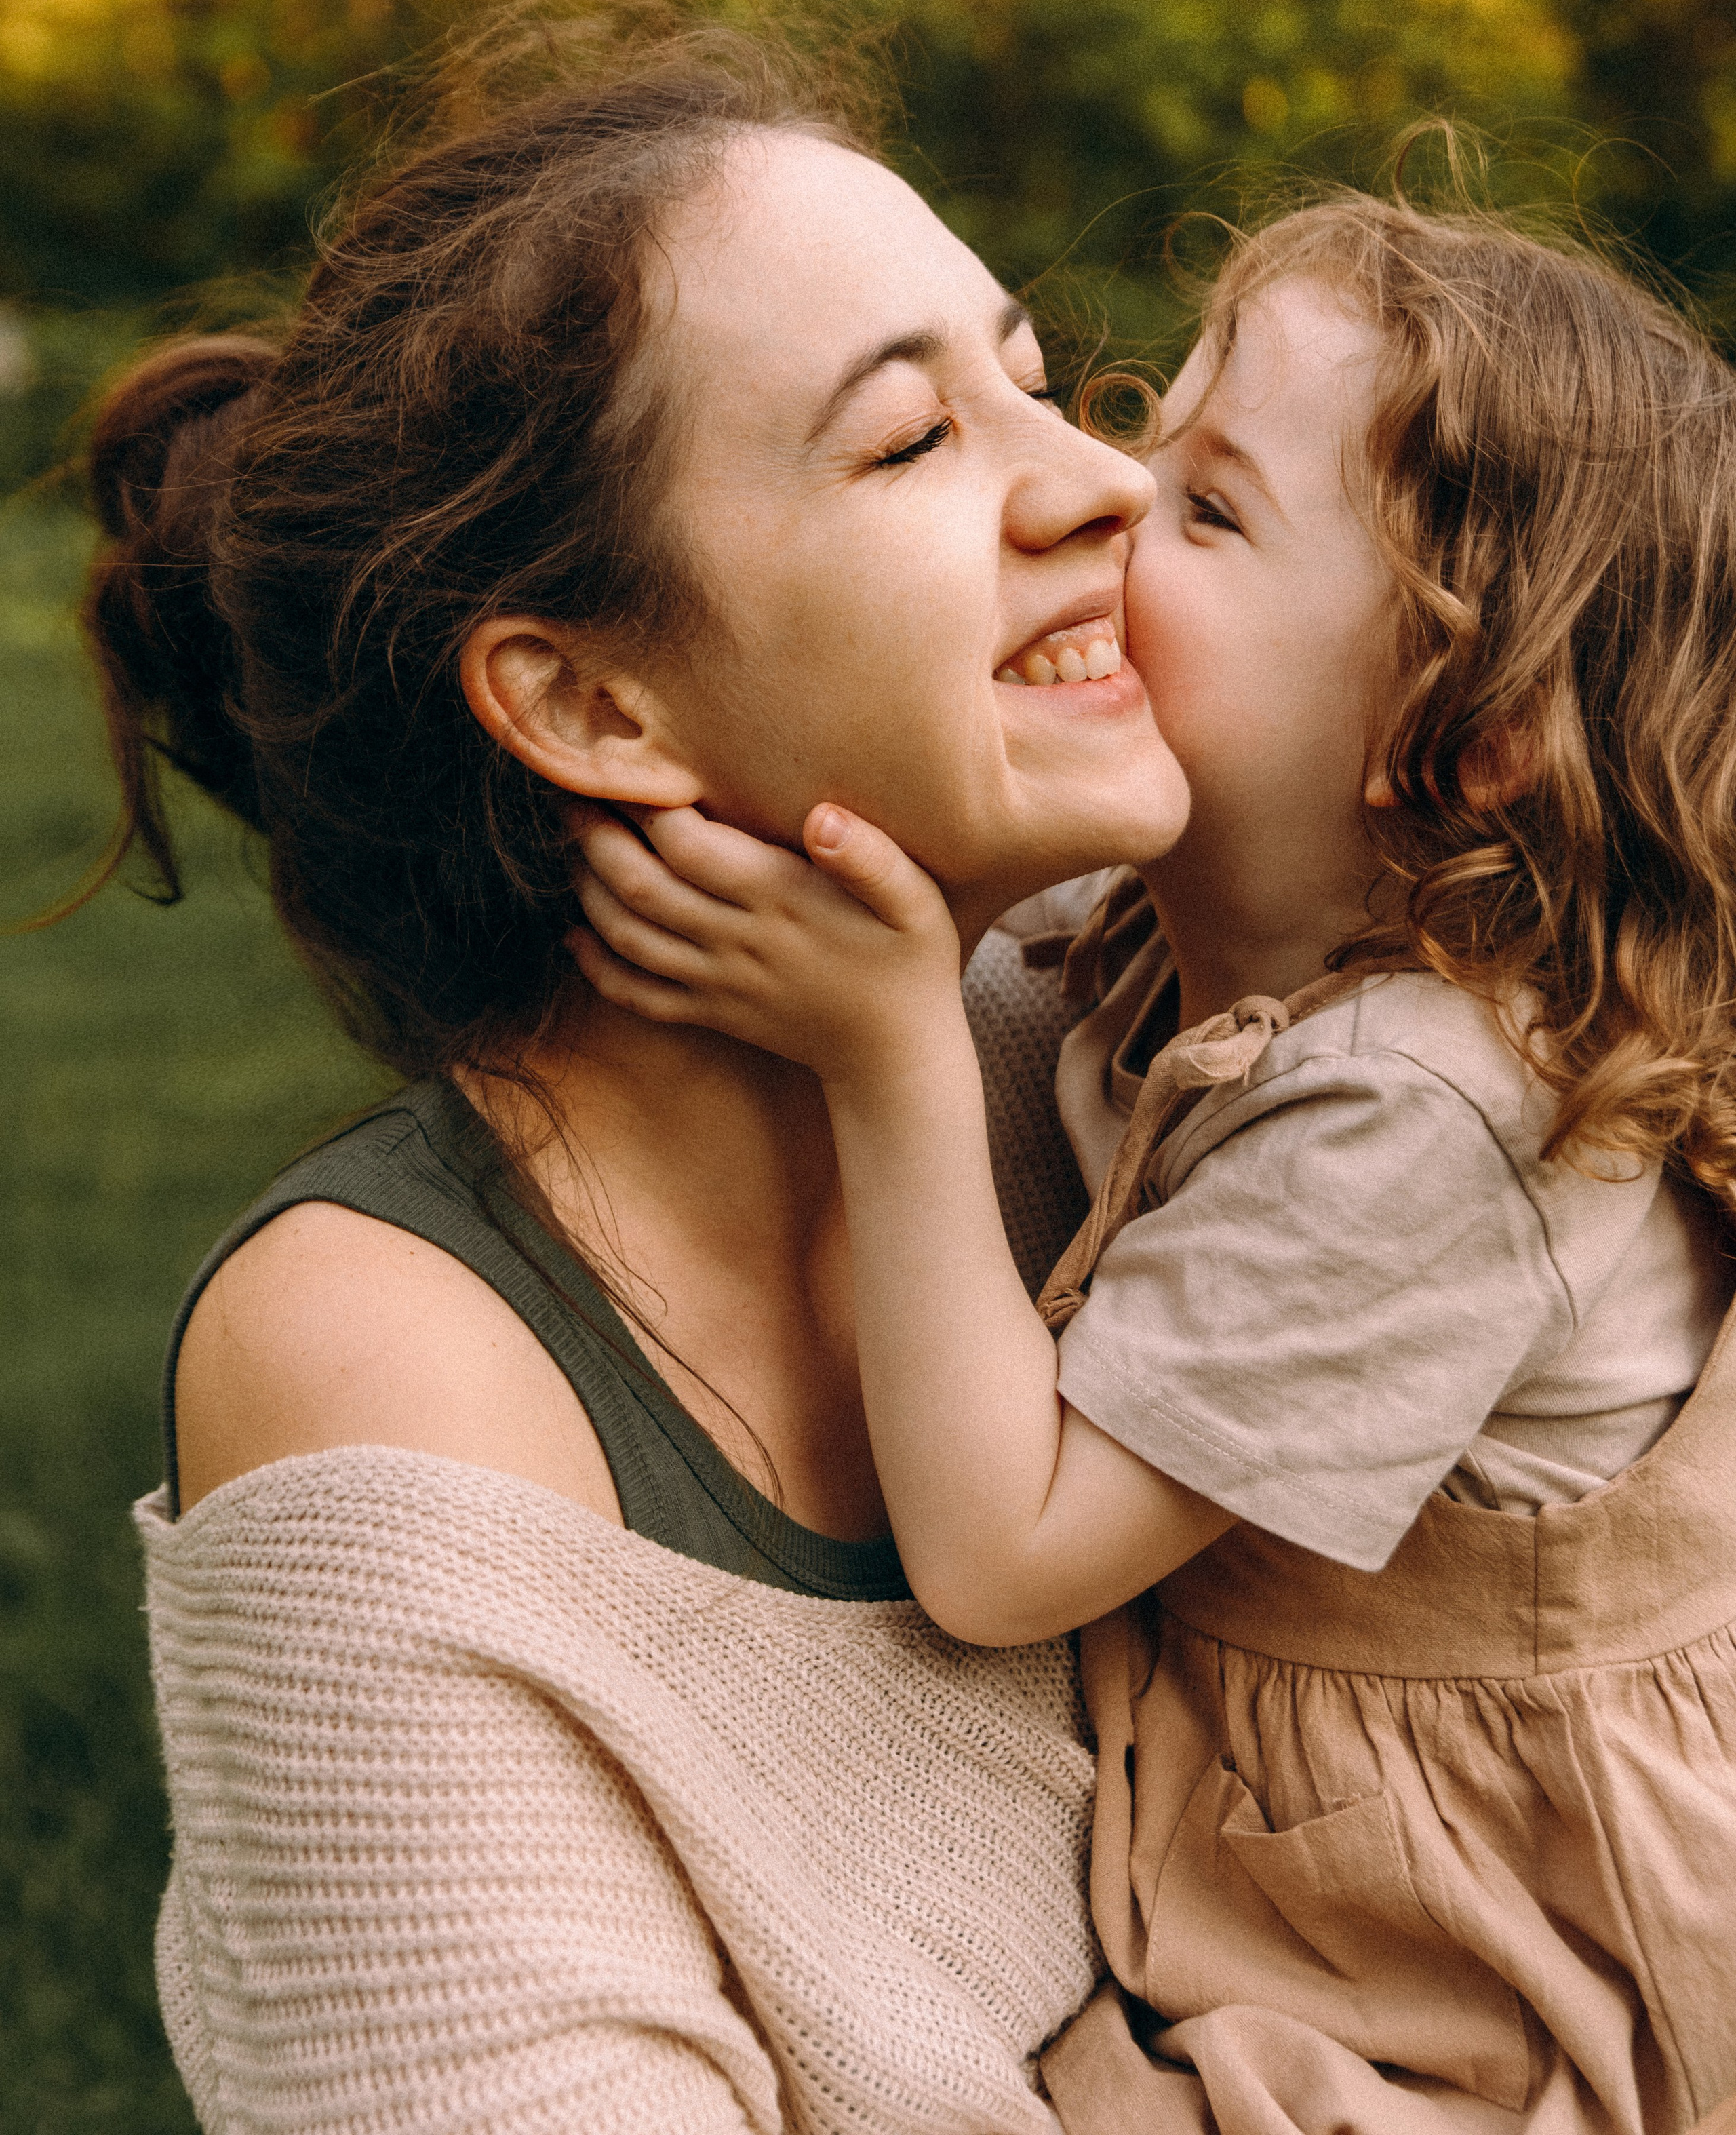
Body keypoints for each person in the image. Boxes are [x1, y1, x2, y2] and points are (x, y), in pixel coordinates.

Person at [81, 0, 1199, 2132]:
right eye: (911, 440)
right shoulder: (391, 1372)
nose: (1107, 484)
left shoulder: (1129, 1052)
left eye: (1040, 386)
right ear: (593, 706)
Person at [567, 191, 1736, 2132]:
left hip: (1510, 1952)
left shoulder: (1427, 1115)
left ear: (1464, 741)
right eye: (1149, 431)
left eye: (1209, 508)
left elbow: (1006, 1556)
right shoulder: (1197, 926)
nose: (1106, 493)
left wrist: (890, 1051)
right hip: (1326, 1858)